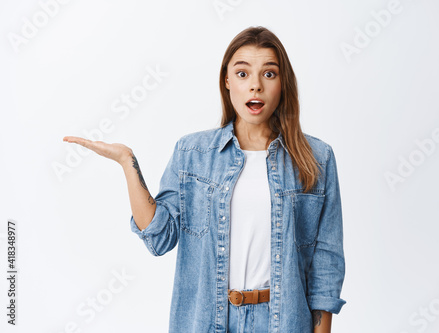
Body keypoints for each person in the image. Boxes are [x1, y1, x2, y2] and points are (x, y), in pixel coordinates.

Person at [63, 26, 346, 333]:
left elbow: (326, 264)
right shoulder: (192, 153)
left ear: (282, 83)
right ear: (226, 81)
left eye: (269, 74)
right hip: (207, 321)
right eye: (242, 74)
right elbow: (159, 238)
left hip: (283, 322)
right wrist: (127, 162)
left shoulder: (316, 158)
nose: (255, 86)